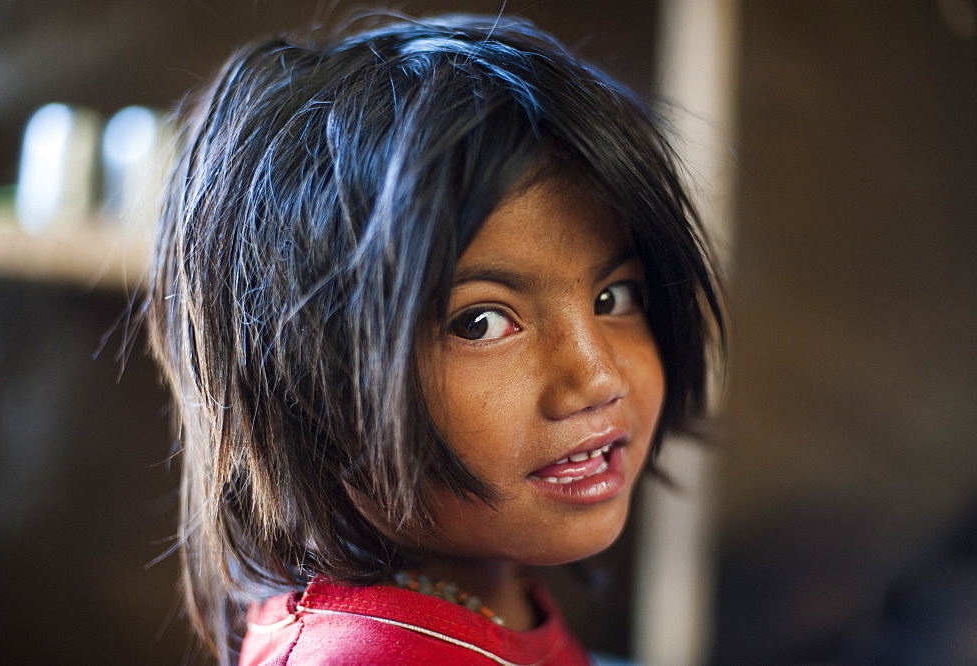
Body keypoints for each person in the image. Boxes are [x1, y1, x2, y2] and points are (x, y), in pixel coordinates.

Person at [144, 12, 723, 665]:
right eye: (481, 322)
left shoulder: (479, 591)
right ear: (301, 375)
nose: (597, 378)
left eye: (614, 298)